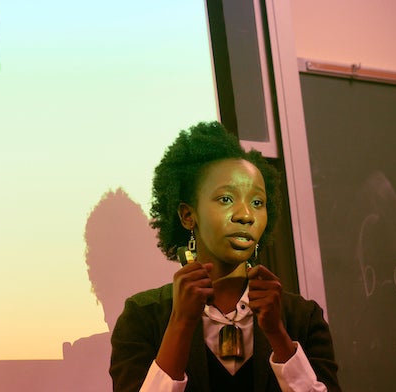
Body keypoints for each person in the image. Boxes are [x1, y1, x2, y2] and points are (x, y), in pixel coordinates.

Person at [109, 121, 340, 391]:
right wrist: (181, 322)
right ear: (187, 215)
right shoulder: (144, 316)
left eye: (257, 203)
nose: (245, 215)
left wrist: (278, 335)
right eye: (226, 199)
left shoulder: (302, 318)